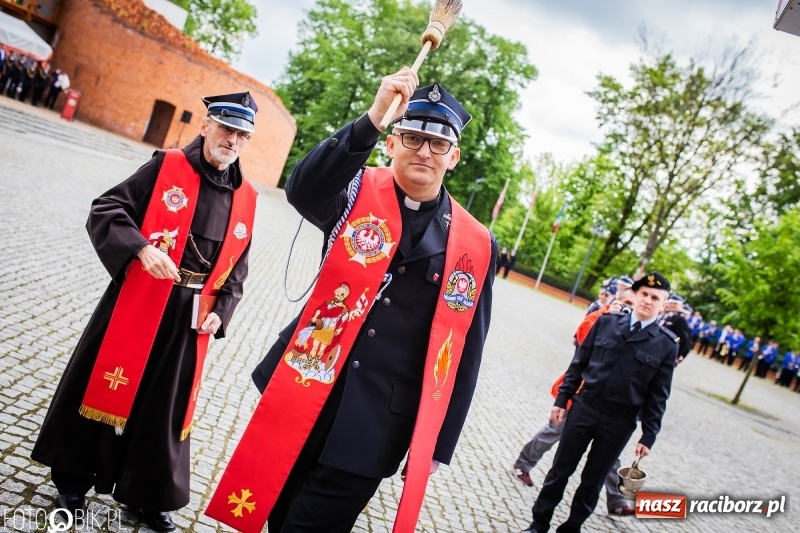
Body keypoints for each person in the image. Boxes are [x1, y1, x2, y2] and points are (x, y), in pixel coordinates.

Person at [205, 69, 496, 533]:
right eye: (413, 137)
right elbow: (303, 189)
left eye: (437, 144)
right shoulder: (355, 191)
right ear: (391, 143)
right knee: (270, 515)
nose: (424, 150)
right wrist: (376, 114)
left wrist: (438, 444)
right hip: (303, 385)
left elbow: (465, 350)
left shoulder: (476, 244)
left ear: (454, 156)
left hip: (376, 423)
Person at [31, 91, 260, 532]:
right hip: (140, 302)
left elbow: (238, 271)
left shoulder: (246, 197)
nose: (232, 140)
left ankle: (146, 496)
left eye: (242, 135)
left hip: (189, 319)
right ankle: (73, 483)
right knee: (105, 386)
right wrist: (139, 249)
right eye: (227, 129)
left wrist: (223, 310)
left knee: (163, 411)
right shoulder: (167, 165)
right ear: (206, 125)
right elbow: (107, 208)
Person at [520, 272, 679, 533]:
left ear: (663, 304)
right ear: (635, 296)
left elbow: (658, 395)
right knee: (560, 471)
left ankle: (571, 528)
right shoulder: (606, 322)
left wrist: (648, 435)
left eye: (655, 298)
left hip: (619, 422)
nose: (648, 301)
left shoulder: (665, 345)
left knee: (592, 481)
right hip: (585, 408)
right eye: (644, 294)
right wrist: (562, 399)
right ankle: (539, 524)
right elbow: (578, 365)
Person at [512, 288, 638, 518]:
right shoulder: (599, 319)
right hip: (580, 394)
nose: (629, 307)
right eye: (626, 301)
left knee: (610, 456)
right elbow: (583, 341)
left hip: (608, 406)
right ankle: (523, 463)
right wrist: (608, 317)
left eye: (633, 303)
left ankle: (617, 501)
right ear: (616, 300)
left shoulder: (636, 331)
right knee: (554, 431)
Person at [659, 293, 693, 364]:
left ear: (681, 306)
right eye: (671, 302)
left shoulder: (679, 319)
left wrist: (677, 355)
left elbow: (684, 340)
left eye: (675, 303)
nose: (672, 305)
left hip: (668, 352)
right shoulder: (669, 316)